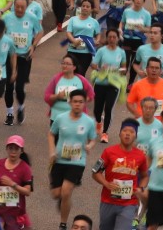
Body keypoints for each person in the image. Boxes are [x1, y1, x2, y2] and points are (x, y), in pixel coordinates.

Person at [48, 89, 97, 230]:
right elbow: (51, 134)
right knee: (57, 194)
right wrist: (52, 151)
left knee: (66, 192)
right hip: (59, 159)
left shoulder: (89, 121)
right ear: (70, 102)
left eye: (81, 102)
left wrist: (89, 146)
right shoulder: (60, 118)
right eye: (75, 101)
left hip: (77, 161)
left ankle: (63, 223)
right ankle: (64, 199)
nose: (77, 104)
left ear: (85, 103)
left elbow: (93, 139)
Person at [91, 119, 149, 230]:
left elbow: (145, 176)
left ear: (136, 136)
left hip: (129, 203)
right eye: (125, 130)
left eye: (131, 132)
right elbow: (95, 172)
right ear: (119, 133)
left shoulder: (140, 155)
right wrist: (106, 184)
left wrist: (141, 187)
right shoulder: (108, 152)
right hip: (108, 201)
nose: (127, 133)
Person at [0, 135, 33, 230]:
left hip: (14, 211)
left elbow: (27, 191)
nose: (13, 152)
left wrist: (12, 184)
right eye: (10, 148)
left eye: (16, 149)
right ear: (6, 149)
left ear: (21, 150)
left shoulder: (25, 168)